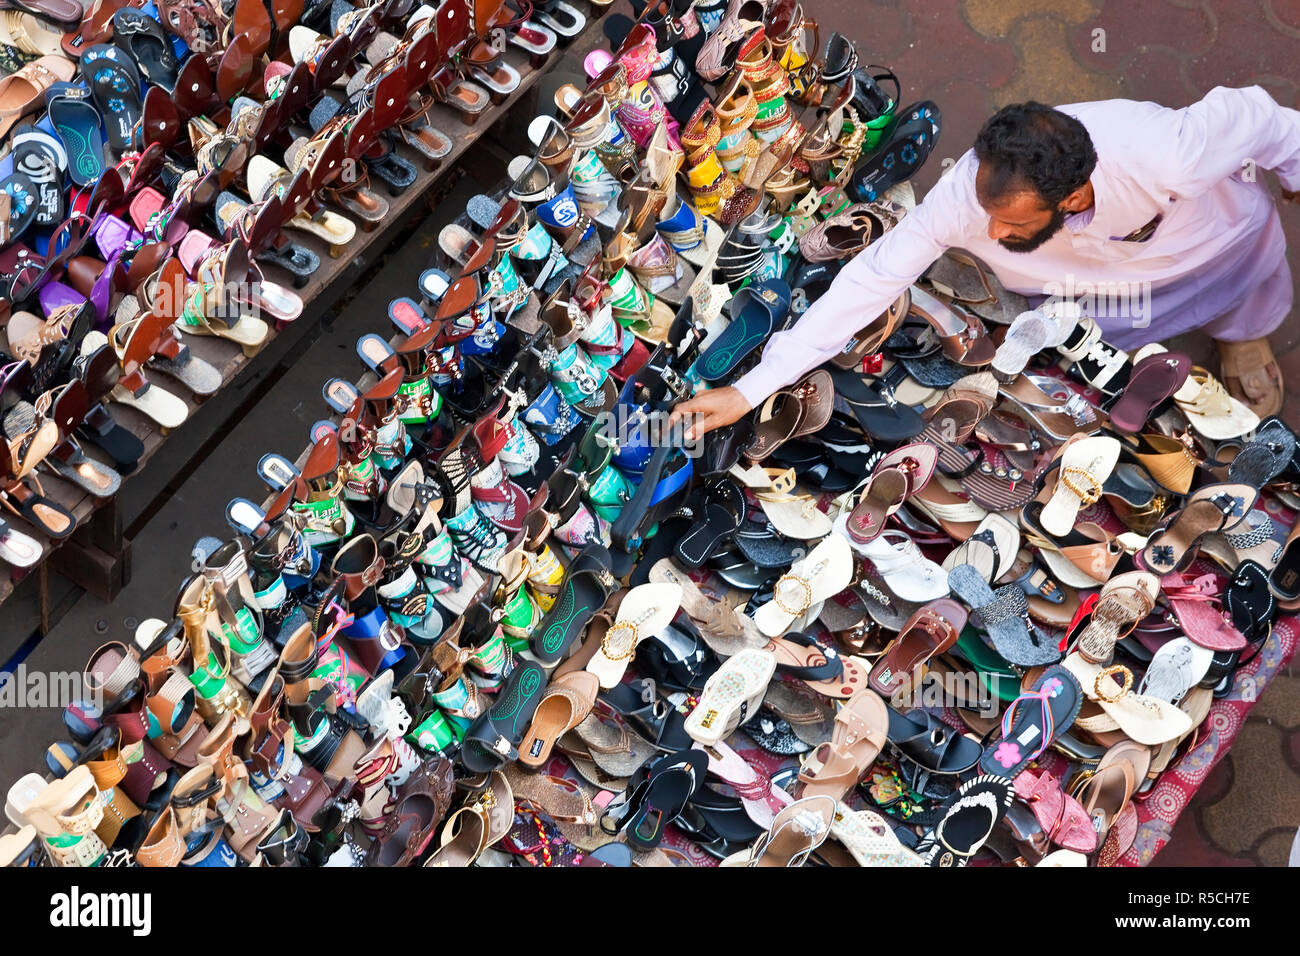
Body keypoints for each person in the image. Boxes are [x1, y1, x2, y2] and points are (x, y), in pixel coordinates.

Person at [674, 86, 1300, 438]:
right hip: (1084, 280)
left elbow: (1265, 120)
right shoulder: (967, 196)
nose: (991, 232)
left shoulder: (1168, 153)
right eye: (989, 214)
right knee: (1110, 326)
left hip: (1206, 239)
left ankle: (1247, 336)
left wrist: (1294, 168)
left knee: (1243, 281)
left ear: (1075, 197)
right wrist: (752, 387)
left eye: (1013, 225)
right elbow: (873, 276)